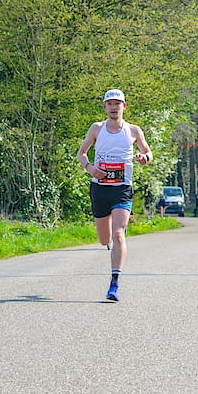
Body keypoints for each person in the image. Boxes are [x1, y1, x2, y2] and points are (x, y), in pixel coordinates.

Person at [77, 89, 152, 302]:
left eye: (117, 103)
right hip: (100, 189)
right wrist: (91, 169)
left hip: (122, 189)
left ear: (124, 107)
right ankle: (109, 240)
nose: (113, 107)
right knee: (104, 239)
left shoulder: (133, 130)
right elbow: (81, 154)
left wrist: (144, 157)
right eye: (109, 103)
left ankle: (114, 284)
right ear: (104, 107)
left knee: (119, 234)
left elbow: (148, 152)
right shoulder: (97, 128)